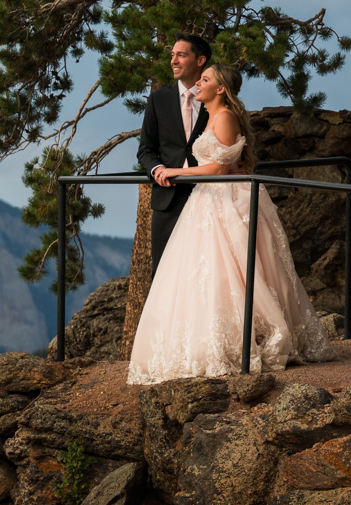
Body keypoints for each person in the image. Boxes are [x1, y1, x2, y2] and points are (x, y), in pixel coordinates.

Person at [126, 63, 336, 384]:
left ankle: (242, 340)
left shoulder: (223, 117)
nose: (198, 83)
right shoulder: (212, 116)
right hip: (209, 200)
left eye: (205, 79)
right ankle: (208, 341)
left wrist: (174, 172)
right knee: (208, 271)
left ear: (220, 88)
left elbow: (218, 170)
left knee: (232, 267)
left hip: (226, 199)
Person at [138, 34, 212, 275]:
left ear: (200, 60)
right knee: (164, 273)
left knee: (203, 269)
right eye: (172, 55)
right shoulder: (158, 99)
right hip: (167, 199)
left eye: (181, 55)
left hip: (207, 195)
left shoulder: (214, 98)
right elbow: (146, 150)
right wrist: (157, 169)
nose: (173, 61)